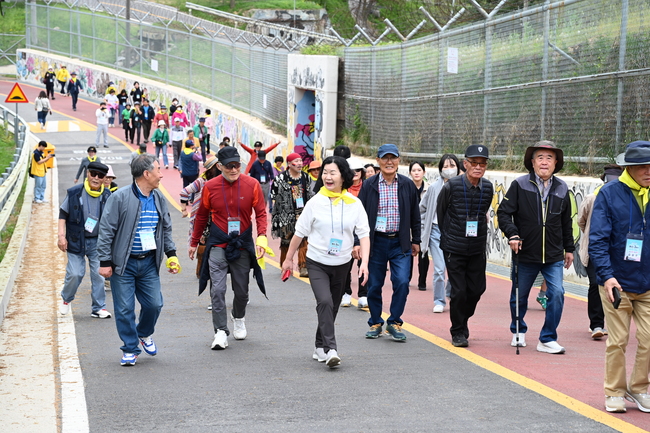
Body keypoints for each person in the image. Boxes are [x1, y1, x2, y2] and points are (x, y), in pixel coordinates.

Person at [282, 156, 370, 367]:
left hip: (342, 263)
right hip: (317, 262)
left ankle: (319, 346)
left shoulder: (355, 204)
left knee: (333, 307)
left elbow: (364, 235)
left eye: (333, 173)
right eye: (325, 173)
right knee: (325, 302)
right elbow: (299, 233)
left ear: (343, 177)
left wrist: (365, 263)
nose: (328, 177)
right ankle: (331, 349)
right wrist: (288, 259)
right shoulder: (314, 203)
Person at [98, 154, 180, 366]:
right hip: (123, 264)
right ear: (146, 174)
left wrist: (171, 254)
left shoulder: (158, 198)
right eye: (158, 170)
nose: (161, 175)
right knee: (124, 309)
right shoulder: (120, 197)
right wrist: (105, 261)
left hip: (149, 262)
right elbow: (106, 230)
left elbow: (166, 228)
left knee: (155, 304)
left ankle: (143, 333)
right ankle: (130, 348)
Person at [589, 141, 650, 413]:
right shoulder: (609, 193)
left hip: (647, 283)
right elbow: (598, 240)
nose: (648, 171)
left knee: (648, 339)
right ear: (629, 168)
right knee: (618, 340)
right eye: (643, 166)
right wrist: (607, 276)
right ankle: (614, 391)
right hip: (617, 283)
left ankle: (638, 388)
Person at [497, 141, 574, 354]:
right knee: (519, 296)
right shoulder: (519, 185)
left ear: (556, 163)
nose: (544, 162)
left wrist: (569, 248)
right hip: (525, 253)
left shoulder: (562, 188)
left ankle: (547, 338)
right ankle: (518, 331)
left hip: (553, 255)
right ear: (532, 162)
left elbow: (566, 222)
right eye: (540, 157)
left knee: (557, 293)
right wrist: (513, 234)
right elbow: (503, 213)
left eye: (549, 158)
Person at [189, 146, 268, 350]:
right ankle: (220, 331)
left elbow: (261, 213)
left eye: (237, 165)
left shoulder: (252, 184)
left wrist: (261, 237)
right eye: (229, 166)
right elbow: (201, 216)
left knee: (242, 292)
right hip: (218, 243)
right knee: (217, 289)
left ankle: (238, 317)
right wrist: (194, 242)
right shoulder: (210, 187)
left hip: (242, 243)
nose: (234, 170)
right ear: (220, 167)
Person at [358, 143, 421, 342]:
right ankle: (376, 322)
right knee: (374, 285)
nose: (389, 162)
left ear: (399, 161)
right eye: (385, 158)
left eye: (393, 158)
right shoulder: (369, 185)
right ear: (378, 161)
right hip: (375, 243)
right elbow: (358, 215)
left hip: (399, 243)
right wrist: (358, 242)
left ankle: (394, 321)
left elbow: (415, 215)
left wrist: (416, 240)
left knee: (402, 281)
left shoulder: (407, 185)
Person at [437, 146, 493, 347]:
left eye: (482, 164)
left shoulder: (488, 188)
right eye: (474, 163)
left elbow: (483, 213)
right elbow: (441, 213)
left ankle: (463, 318)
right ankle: (458, 331)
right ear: (465, 164)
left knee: (477, 289)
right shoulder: (451, 186)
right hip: (454, 247)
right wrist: (449, 238)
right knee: (459, 291)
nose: (478, 167)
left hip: (477, 247)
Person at [58, 161, 112, 319]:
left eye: (100, 176)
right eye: (93, 174)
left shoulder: (108, 195)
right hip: (76, 239)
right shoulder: (74, 192)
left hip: (98, 242)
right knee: (75, 273)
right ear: (87, 174)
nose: (96, 178)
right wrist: (61, 236)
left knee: (99, 275)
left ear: (104, 178)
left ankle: (98, 307)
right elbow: (63, 214)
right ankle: (66, 299)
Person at [578, 164, 622, 340]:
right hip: (594, 250)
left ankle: (614, 324)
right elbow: (581, 221)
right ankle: (596, 324)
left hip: (616, 252)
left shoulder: (625, 199)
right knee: (596, 284)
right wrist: (593, 237)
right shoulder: (592, 198)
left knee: (615, 285)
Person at [420, 154, 460, 313]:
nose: (449, 169)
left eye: (452, 166)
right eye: (446, 166)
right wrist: (424, 228)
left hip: (456, 233)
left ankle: (449, 292)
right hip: (436, 231)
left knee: (455, 268)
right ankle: (439, 300)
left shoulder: (463, 186)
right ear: (440, 169)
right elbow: (422, 209)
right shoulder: (433, 188)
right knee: (439, 268)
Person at [271, 152, 312, 278]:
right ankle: (285, 265)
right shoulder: (280, 178)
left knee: (304, 240)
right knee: (286, 241)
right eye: (296, 161)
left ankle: (303, 266)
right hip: (285, 216)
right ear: (289, 164)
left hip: (302, 214)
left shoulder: (306, 177)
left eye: (300, 161)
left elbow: (309, 194)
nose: (300, 164)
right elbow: (274, 196)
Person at [180, 155, 220, 277]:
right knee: (203, 243)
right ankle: (201, 271)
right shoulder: (201, 181)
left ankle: (212, 270)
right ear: (215, 167)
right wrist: (184, 209)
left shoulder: (221, 181)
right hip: (203, 217)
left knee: (215, 244)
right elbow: (184, 192)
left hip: (216, 217)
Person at [340, 157, 367, 308]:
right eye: (352, 170)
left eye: (358, 170)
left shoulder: (368, 187)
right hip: (346, 232)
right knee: (345, 265)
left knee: (364, 263)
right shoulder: (342, 189)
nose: (355, 173)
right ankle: (346, 293)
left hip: (363, 231)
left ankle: (363, 295)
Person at [408, 161, 430, 291]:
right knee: (408, 252)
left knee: (423, 253)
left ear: (424, 172)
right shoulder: (406, 187)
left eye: (419, 170)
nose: (416, 173)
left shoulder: (430, 188)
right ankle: (407, 278)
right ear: (410, 173)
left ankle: (422, 281)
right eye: (414, 170)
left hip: (423, 225)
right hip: (408, 225)